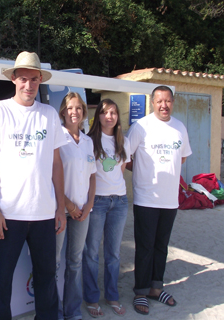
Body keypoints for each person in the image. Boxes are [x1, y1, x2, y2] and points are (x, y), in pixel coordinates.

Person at [0, 51, 67, 320]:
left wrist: (60, 207)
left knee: (46, 280)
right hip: (7, 215)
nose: (29, 85)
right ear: (14, 79)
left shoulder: (49, 115)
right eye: (24, 78)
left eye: (34, 79)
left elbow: (56, 165)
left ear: (40, 81)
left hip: (43, 215)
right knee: (0, 283)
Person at [126, 85, 192, 315]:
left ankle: (156, 287)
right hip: (146, 198)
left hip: (169, 201)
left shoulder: (179, 128)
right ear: (152, 103)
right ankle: (141, 292)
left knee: (161, 247)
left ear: (173, 102)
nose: (164, 105)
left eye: (168, 101)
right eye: (159, 101)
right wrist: (142, 172)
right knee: (144, 247)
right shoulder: (141, 127)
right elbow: (125, 157)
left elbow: (181, 158)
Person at [82, 99, 131, 317]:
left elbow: (121, 170)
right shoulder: (90, 140)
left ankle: (112, 296)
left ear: (117, 116)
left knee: (113, 253)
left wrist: (114, 191)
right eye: (104, 112)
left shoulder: (124, 141)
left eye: (113, 112)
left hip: (119, 202)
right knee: (91, 252)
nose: (109, 116)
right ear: (98, 117)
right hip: (97, 202)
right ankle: (92, 299)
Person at [56, 92, 97, 320]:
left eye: (79, 108)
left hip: (83, 211)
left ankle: (72, 313)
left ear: (83, 112)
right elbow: (51, 176)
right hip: (61, 210)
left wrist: (89, 204)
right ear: (63, 111)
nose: (75, 112)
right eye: (70, 108)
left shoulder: (88, 141)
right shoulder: (58, 138)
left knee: (75, 262)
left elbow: (92, 175)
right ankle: (55, 312)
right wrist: (68, 204)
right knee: (53, 264)